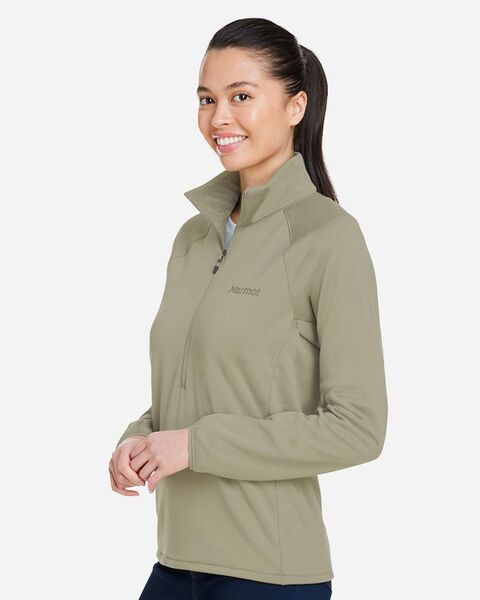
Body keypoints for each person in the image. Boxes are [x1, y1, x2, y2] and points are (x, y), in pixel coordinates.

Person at [109, 17, 388, 599]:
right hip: (174, 565)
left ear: (295, 106)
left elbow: (359, 429)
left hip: (269, 573)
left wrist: (196, 446)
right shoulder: (194, 237)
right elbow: (201, 386)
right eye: (206, 99)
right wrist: (140, 437)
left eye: (241, 96)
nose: (219, 118)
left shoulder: (329, 238)